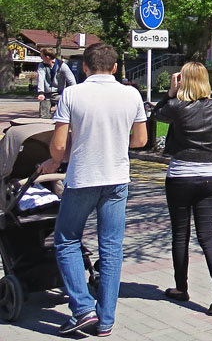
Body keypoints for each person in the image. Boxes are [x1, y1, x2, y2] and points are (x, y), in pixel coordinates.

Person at [38, 42, 148, 337]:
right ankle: (106, 320)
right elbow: (140, 140)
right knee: (111, 248)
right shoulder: (131, 94)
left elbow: (59, 145)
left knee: (66, 241)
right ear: (115, 68)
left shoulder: (72, 94)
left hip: (83, 178)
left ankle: (83, 308)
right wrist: (111, 142)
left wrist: (52, 163)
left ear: (84, 67)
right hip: (117, 179)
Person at [151, 62, 212, 316]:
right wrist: (210, 149)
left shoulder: (177, 108)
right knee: (207, 235)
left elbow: (156, 114)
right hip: (210, 177)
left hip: (180, 175)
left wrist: (169, 93)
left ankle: (181, 288)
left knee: (180, 235)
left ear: (183, 81)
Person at [36, 48, 77, 118]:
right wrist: (41, 93)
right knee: (43, 116)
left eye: (42, 56)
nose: (41, 58)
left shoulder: (62, 66)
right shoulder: (42, 66)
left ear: (47, 57)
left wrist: (74, 92)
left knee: (63, 115)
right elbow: (41, 78)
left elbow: (71, 80)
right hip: (46, 94)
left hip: (59, 94)